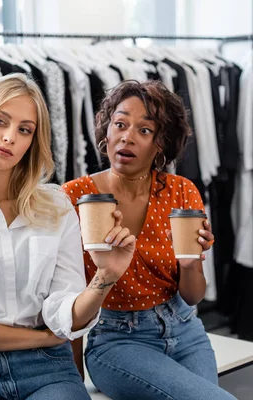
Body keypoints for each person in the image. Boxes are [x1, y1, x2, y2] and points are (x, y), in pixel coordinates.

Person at [0, 73, 136, 399]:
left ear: (33, 141)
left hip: (48, 370)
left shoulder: (56, 205)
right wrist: (43, 338)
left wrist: (105, 277)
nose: (9, 137)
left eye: (24, 129)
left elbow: (64, 313)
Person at [63, 80, 236, 400]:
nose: (127, 136)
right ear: (106, 130)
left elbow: (193, 296)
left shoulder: (181, 192)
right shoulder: (75, 197)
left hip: (185, 331)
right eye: (120, 124)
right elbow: (67, 298)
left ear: (161, 143)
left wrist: (189, 264)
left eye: (144, 130)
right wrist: (73, 383)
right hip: (116, 340)